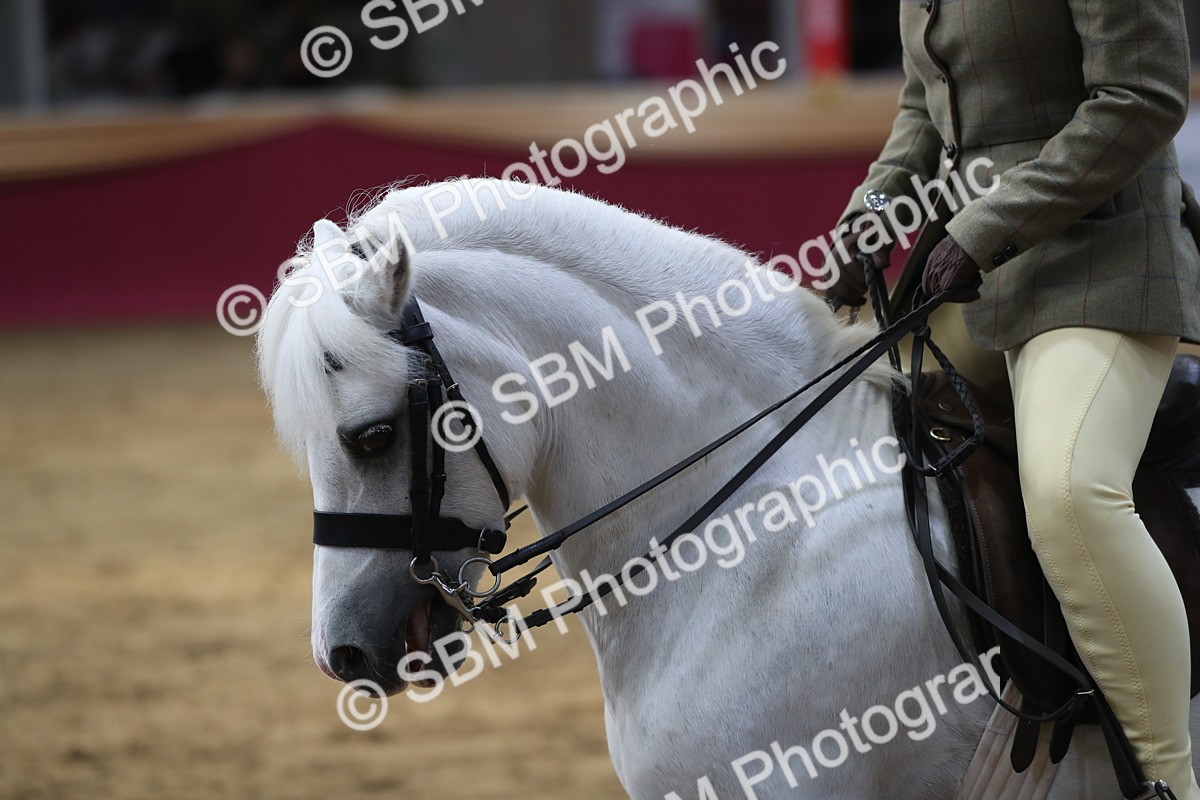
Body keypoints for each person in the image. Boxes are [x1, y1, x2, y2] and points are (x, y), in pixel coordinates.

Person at [826, 1, 1200, 796]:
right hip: (976, 274)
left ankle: (1170, 779)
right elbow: (927, 108)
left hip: (1102, 259)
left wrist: (991, 221)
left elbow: (1144, 96)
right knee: (830, 437)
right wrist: (876, 210)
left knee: (1071, 494)